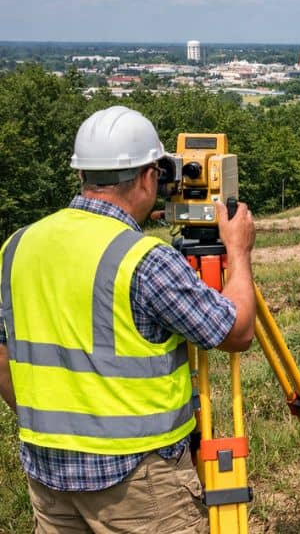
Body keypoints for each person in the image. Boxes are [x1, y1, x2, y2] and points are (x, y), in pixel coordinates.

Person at [0, 105, 256, 533]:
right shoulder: (144, 261)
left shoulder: (17, 247)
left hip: (48, 476)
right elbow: (236, 331)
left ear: (83, 175)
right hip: (138, 485)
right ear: (147, 177)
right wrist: (239, 252)